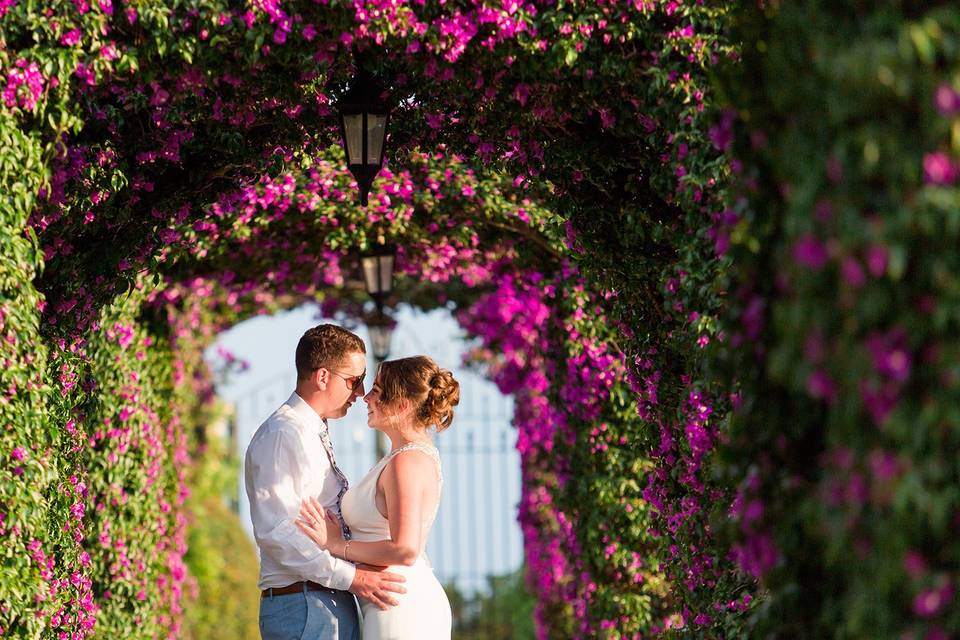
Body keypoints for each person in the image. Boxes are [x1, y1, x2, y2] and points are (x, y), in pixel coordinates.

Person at [244, 324, 406, 640]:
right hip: (305, 605)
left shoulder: (308, 430)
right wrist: (352, 578)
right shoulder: (283, 434)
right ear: (322, 377)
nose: (360, 393)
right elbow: (278, 532)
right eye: (353, 381)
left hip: (321, 600)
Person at [297, 355, 459, 640]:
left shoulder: (406, 462)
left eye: (376, 391)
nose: (365, 398)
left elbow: (406, 549)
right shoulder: (403, 457)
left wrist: (336, 544)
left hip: (399, 605)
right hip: (391, 600)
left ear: (402, 405)